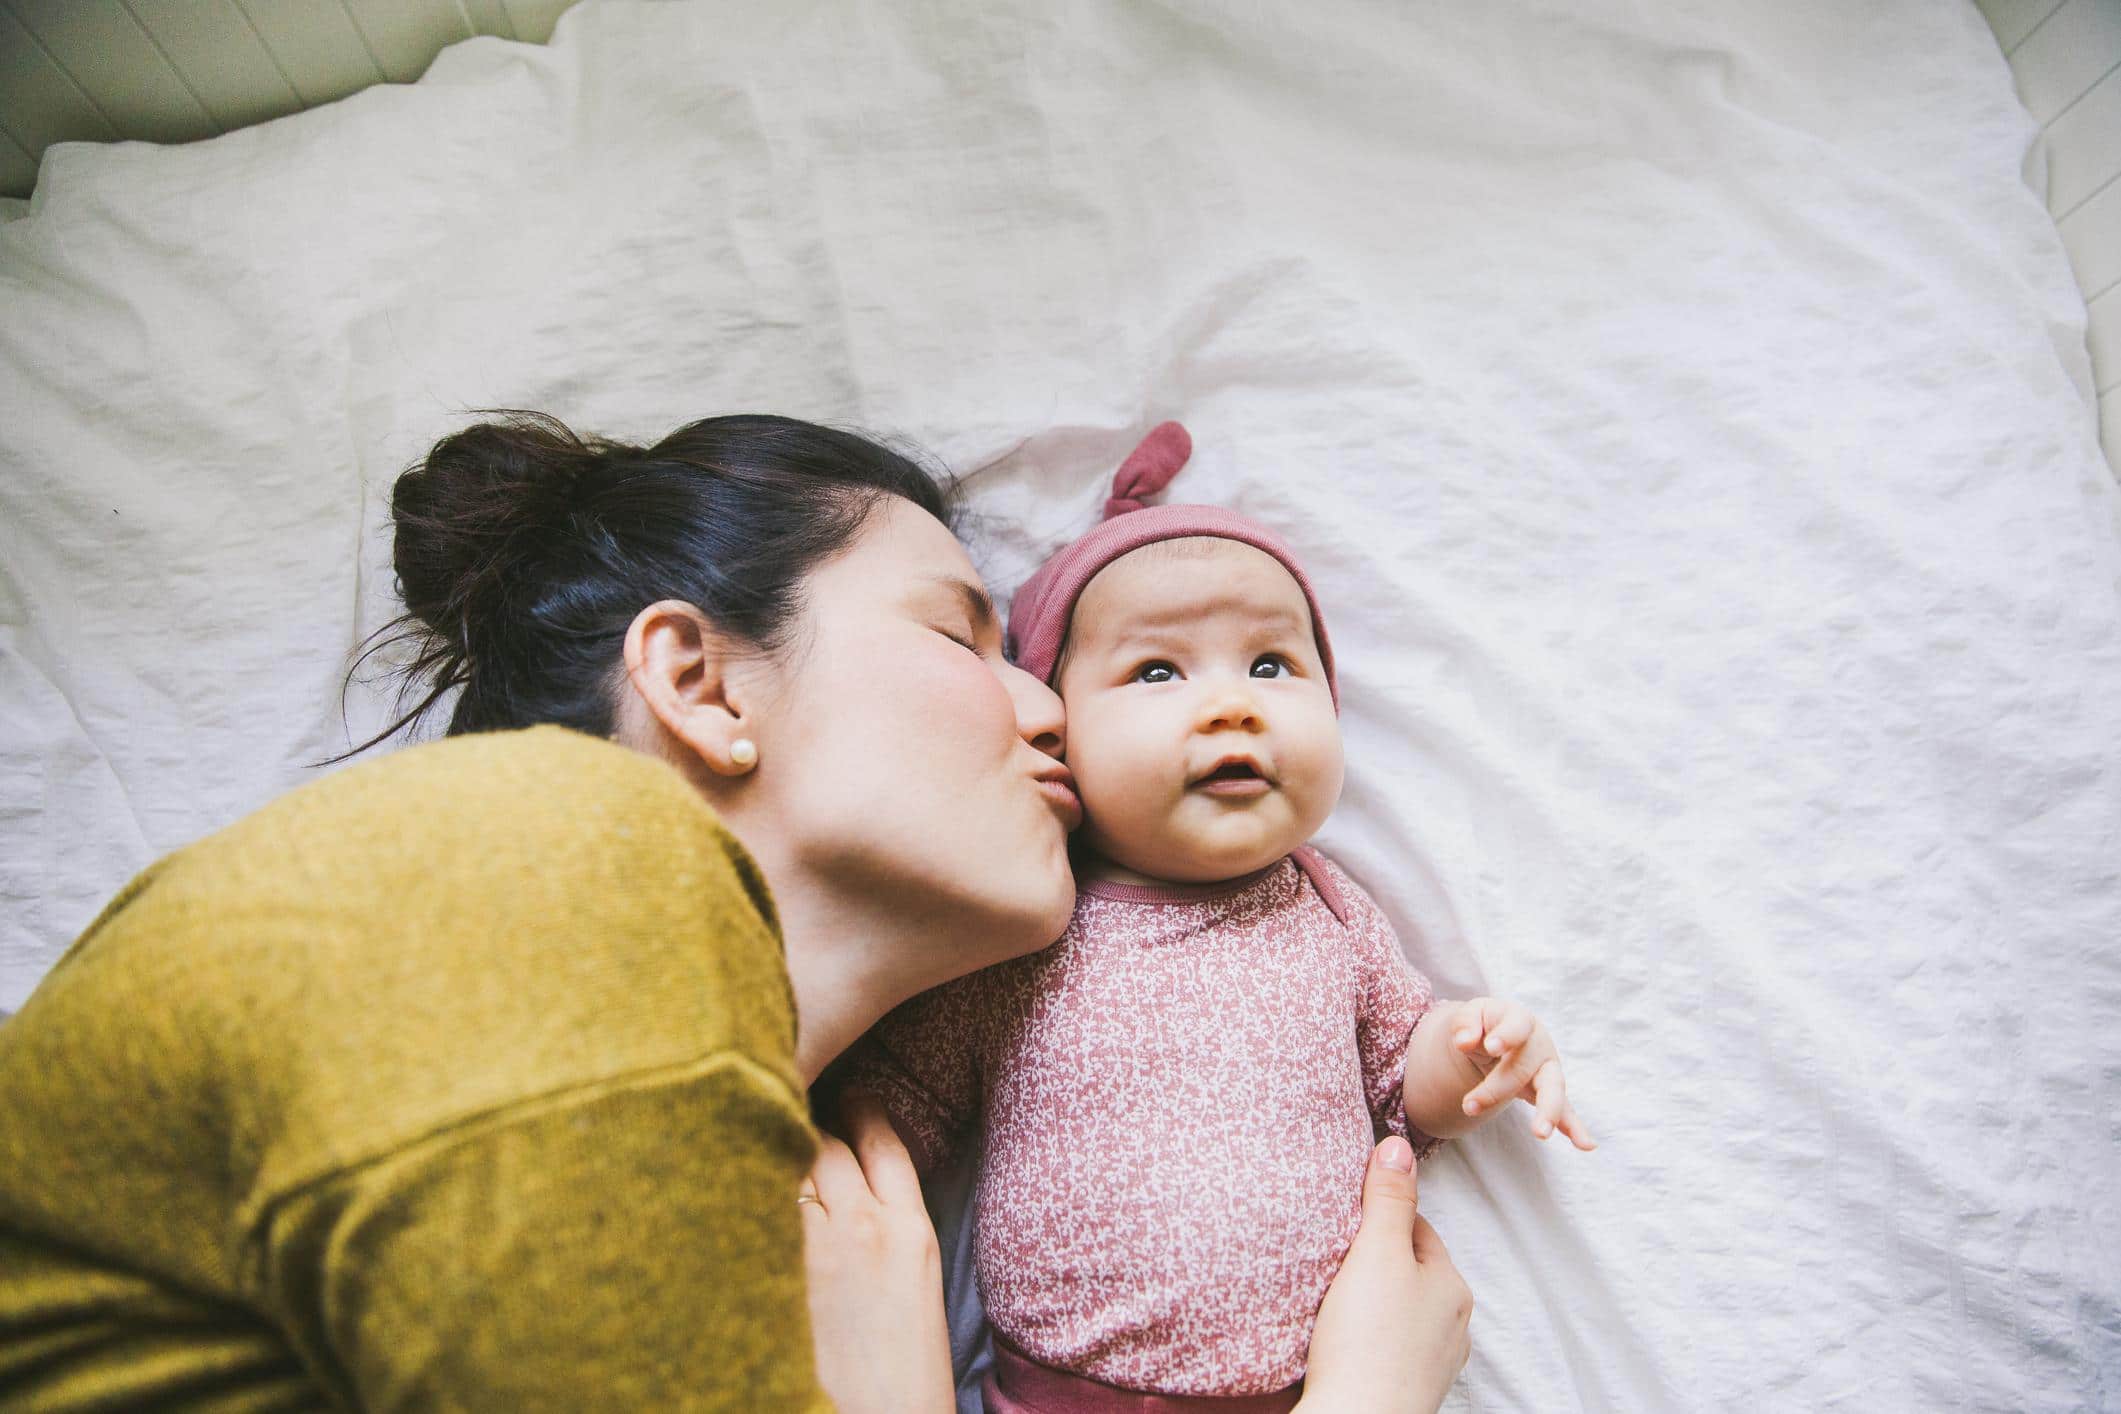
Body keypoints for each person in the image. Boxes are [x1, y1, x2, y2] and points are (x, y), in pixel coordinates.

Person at [0, 412, 1472, 1412]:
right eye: (963, 630)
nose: (1047, 708)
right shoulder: (521, 870)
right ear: (701, 683)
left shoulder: (748, 1187)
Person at [846, 424, 1584, 1409]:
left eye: (1274, 666)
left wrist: (1472, 1050)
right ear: (1054, 723)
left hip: (1317, 1380)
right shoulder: (1027, 922)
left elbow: (1403, 1084)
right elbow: (902, 1106)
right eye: (1159, 672)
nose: (1232, 705)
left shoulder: (1328, 912)